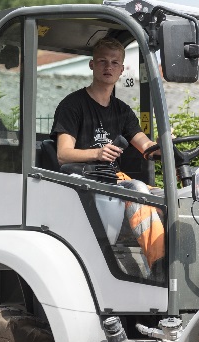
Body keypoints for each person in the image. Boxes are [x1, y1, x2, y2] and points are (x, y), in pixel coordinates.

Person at [51, 37, 164, 273]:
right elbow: (63, 154)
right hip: (84, 183)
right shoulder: (72, 106)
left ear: (122, 70)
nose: (108, 67)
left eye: (114, 63)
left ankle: (173, 260)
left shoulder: (121, 111)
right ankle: (161, 268)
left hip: (112, 181)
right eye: (102, 61)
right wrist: (98, 153)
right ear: (92, 65)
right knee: (138, 191)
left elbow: (146, 147)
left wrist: (163, 146)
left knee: (169, 197)